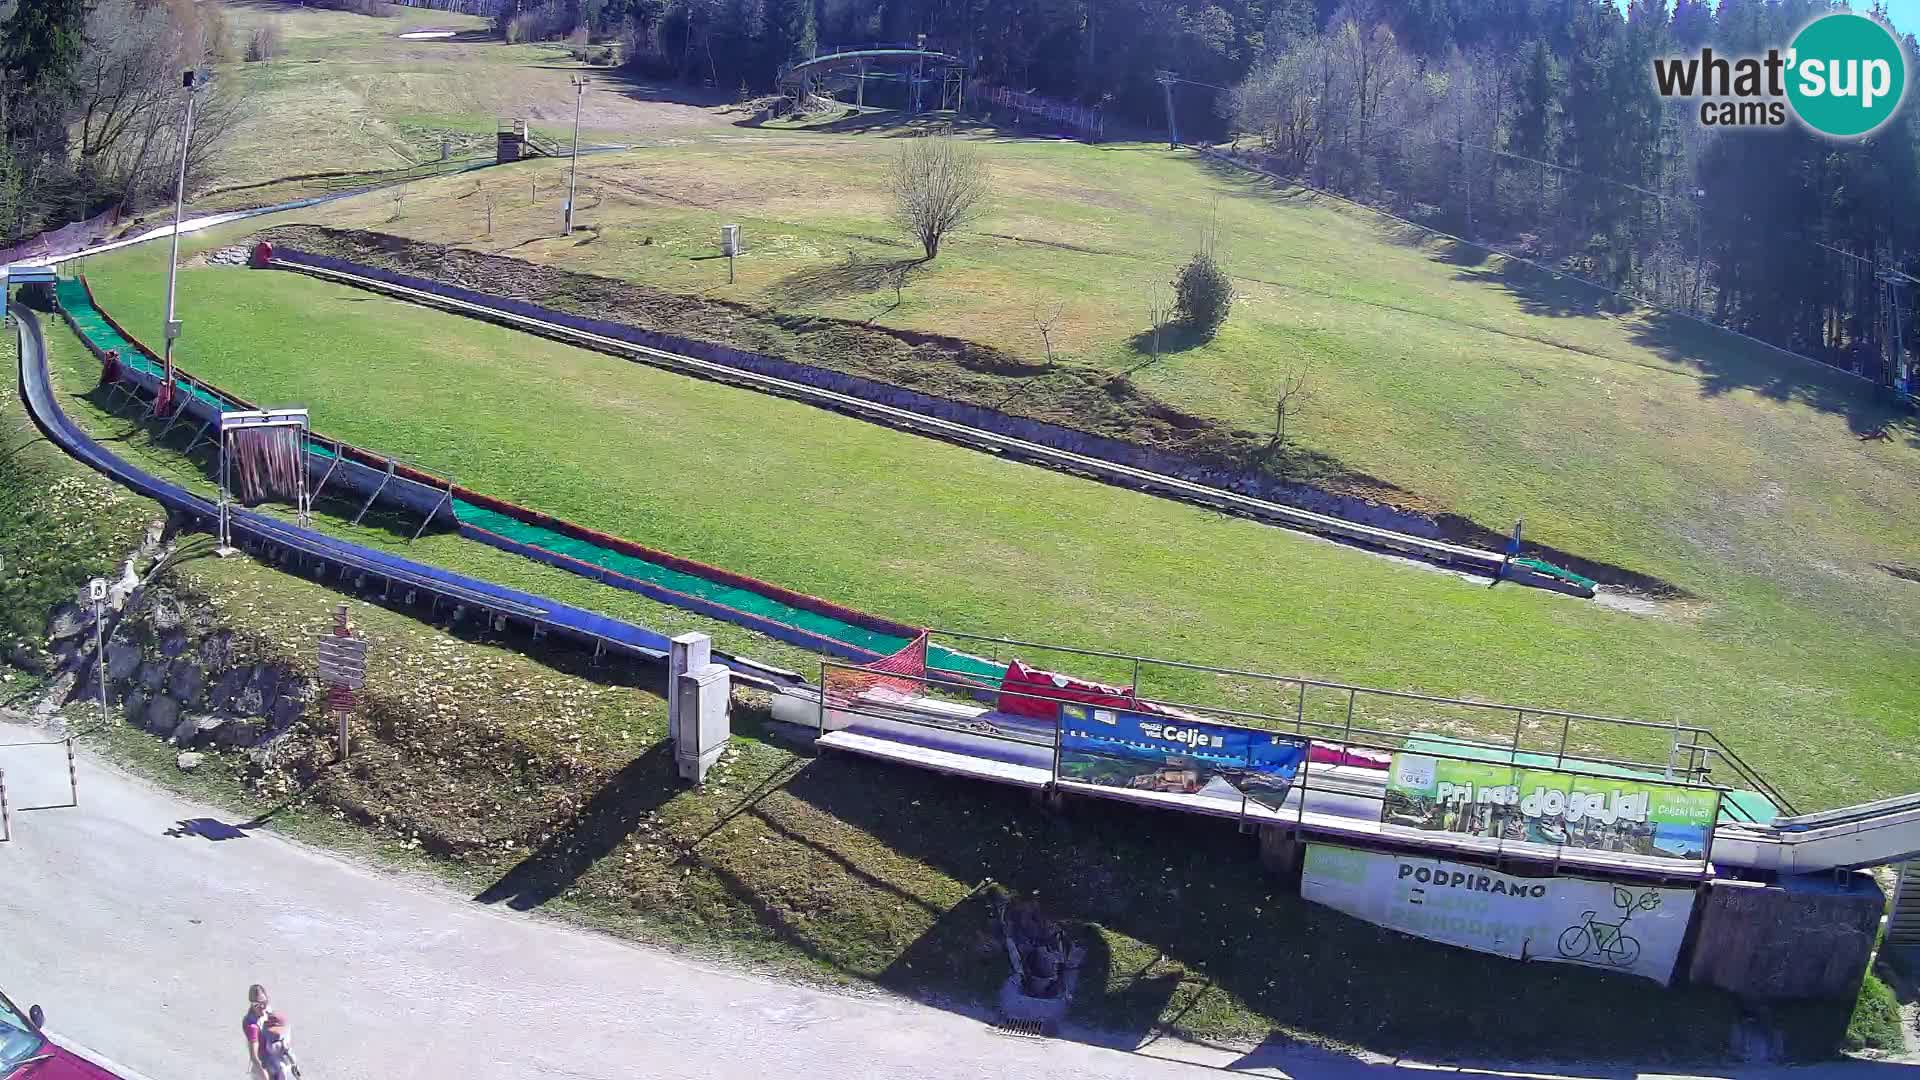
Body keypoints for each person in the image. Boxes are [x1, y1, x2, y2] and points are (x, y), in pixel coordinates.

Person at [242, 986, 270, 1080]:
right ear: (252, 1005)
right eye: (257, 1004)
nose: (262, 1007)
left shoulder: (267, 1012)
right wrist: (265, 1076)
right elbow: (254, 1057)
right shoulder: (252, 1026)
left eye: (264, 1003)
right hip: (262, 1069)